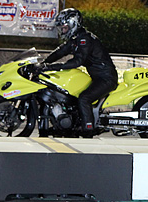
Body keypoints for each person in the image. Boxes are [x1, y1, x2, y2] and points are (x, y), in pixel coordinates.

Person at [40, 8, 118, 137]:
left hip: (106, 78)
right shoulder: (76, 38)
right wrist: (43, 63)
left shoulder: (84, 39)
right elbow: (60, 51)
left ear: (73, 24)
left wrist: (53, 67)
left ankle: (88, 129)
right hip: (97, 77)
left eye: (65, 28)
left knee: (84, 98)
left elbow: (77, 61)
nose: (63, 31)